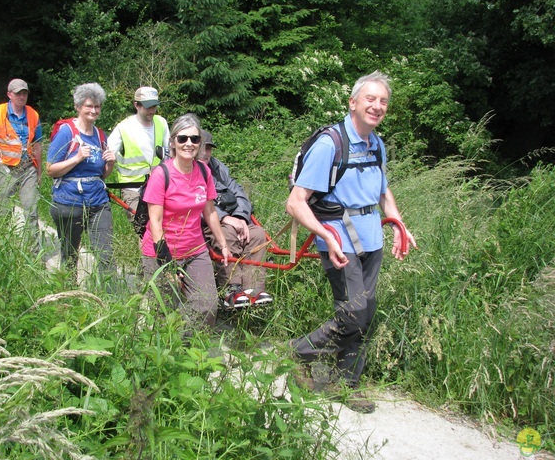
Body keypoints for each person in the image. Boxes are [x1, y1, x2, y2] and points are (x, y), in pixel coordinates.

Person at [286, 71, 417, 414]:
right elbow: (296, 202)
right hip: (338, 239)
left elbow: (383, 191)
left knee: (365, 311)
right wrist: (326, 235)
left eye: (383, 101)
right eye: (370, 99)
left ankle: (347, 384)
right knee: (354, 311)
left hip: (371, 236)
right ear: (353, 103)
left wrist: (400, 225)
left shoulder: (376, 143)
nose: (377, 106)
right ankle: (299, 351)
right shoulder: (331, 144)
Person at [141, 113, 231, 330]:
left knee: (207, 305)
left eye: (194, 139)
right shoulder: (161, 174)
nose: (189, 143)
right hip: (161, 252)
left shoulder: (203, 171)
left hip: (196, 249)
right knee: (163, 311)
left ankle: (189, 349)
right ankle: (163, 356)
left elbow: (209, 211)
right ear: (173, 142)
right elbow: (155, 222)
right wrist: (167, 263)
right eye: (182, 138)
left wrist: (223, 243)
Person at [46, 83, 117, 282]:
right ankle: (68, 298)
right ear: (78, 107)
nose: (94, 110)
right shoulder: (67, 133)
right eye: (89, 106)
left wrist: (110, 164)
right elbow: (50, 169)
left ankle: (110, 300)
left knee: (106, 253)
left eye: (97, 106)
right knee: (70, 254)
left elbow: (102, 175)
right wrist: (76, 159)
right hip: (69, 203)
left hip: (98, 202)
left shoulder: (100, 135)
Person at [199, 130, 273, 308]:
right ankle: (232, 288)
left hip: (233, 217)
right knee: (227, 234)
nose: (205, 153)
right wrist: (224, 218)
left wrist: (240, 217)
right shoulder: (189, 170)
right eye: (202, 148)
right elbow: (196, 202)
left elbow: (238, 192)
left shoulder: (218, 169)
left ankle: (253, 289)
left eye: (208, 148)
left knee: (257, 234)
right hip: (208, 221)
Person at [0, 79, 43, 251]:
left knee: (31, 210)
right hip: (5, 168)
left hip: (28, 168)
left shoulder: (33, 115)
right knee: (4, 211)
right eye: (18, 93)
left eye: (25, 93)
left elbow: (38, 144)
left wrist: (39, 172)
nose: (22, 96)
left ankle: (35, 253)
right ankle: (1, 249)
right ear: (9, 95)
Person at [107, 86, 170, 219]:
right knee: (143, 227)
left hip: (158, 187)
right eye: (148, 107)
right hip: (132, 189)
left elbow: (170, 154)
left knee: (160, 226)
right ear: (136, 105)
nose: (152, 110)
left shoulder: (161, 123)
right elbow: (107, 154)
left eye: (154, 106)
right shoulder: (123, 127)